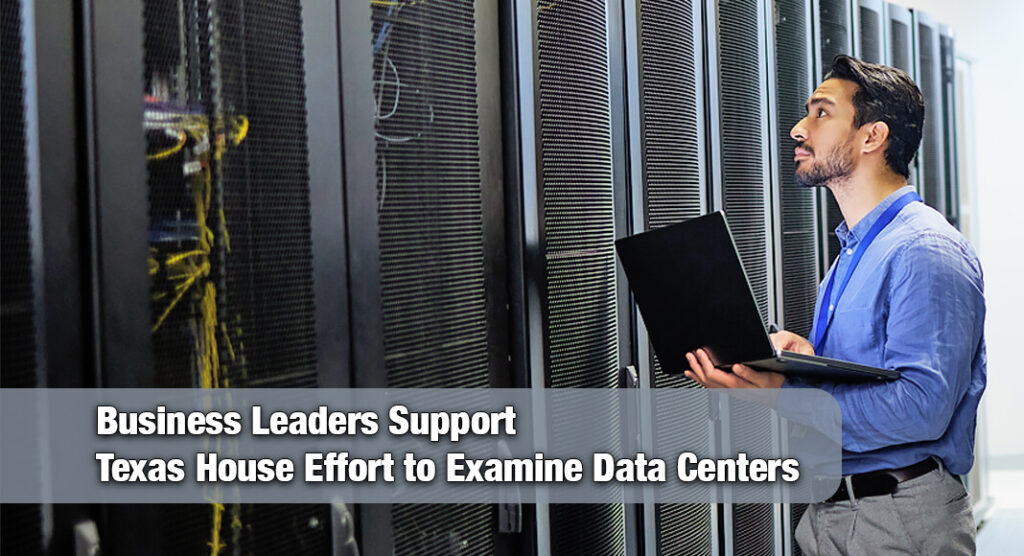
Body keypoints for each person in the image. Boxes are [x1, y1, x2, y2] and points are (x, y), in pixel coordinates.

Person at [684, 55, 986, 555]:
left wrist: (785, 396)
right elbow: (864, 381)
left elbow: (923, 408)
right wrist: (801, 363)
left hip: (897, 521)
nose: (798, 129)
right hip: (832, 513)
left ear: (872, 137)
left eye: (821, 113)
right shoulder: (854, 251)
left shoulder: (925, 250)